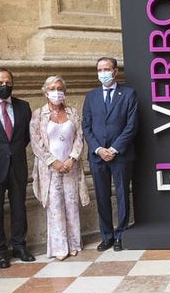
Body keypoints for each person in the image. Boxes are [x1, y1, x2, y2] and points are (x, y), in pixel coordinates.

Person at [0, 68, 34, 268]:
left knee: (19, 207)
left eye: (8, 82)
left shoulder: (23, 106)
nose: (4, 86)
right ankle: (0, 251)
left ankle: (19, 245)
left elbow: (27, 136)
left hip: (17, 165)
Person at [31, 76, 91, 260]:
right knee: (55, 207)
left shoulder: (73, 112)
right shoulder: (38, 115)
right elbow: (36, 142)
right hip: (50, 169)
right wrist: (53, 162)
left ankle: (74, 244)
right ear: (45, 92)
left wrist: (72, 158)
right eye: (52, 88)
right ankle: (59, 247)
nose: (56, 91)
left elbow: (79, 137)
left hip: (71, 166)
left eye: (59, 88)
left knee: (72, 205)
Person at [82, 57, 138, 251]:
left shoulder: (129, 94)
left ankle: (120, 235)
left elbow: (131, 126)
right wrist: (98, 149)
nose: (103, 73)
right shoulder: (91, 96)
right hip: (98, 155)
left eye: (106, 69)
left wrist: (114, 149)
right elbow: (86, 126)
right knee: (102, 195)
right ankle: (106, 235)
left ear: (115, 72)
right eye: (99, 69)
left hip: (121, 155)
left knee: (122, 194)